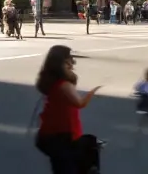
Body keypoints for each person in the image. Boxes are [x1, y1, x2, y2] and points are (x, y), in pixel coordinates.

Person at [34, 44, 99, 174]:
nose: (72, 62)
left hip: (51, 135)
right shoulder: (64, 85)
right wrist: (93, 91)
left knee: (83, 149)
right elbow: (80, 103)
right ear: (62, 62)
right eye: (69, 59)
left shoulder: (52, 81)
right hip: (60, 137)